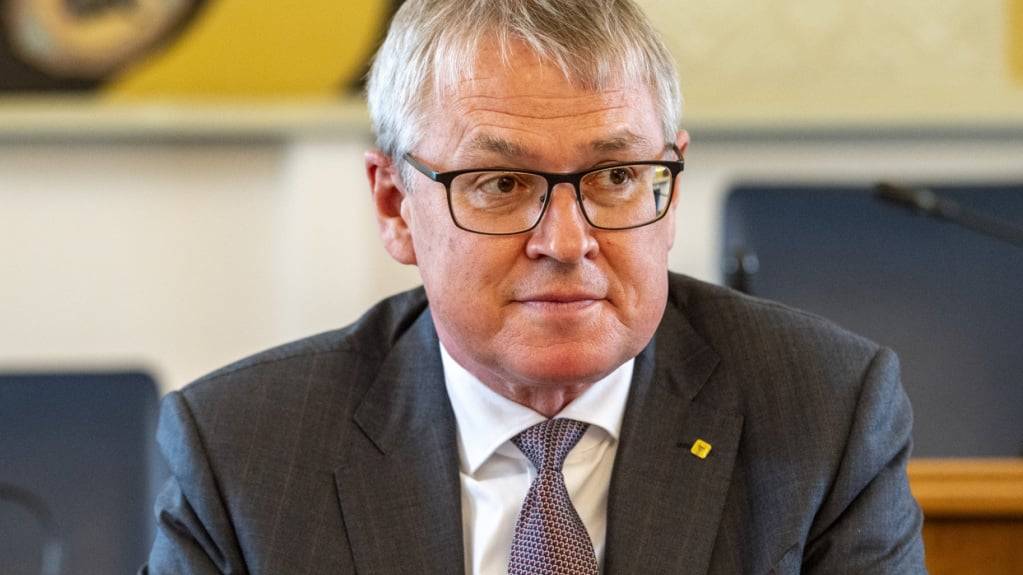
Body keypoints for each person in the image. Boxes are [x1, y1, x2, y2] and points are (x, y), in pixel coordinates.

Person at [142, 1, 926, 573]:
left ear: (671, 189)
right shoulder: (247, 454)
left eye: (616, 177)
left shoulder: (822, 412)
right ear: (393, 206)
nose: (565, 241)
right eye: (501, 183)